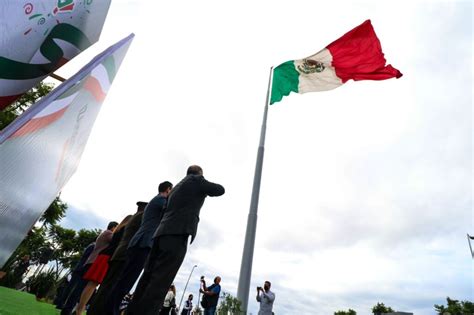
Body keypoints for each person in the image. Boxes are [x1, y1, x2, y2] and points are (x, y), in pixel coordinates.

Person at [126, 165, 225, 315]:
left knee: (147, 278)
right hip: (177, 234)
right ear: (199, 173)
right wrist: (202, 183)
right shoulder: (196, 180)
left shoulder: (176, 188)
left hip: (160, 234)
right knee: (161, 281)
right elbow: (220, 189)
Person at [105, 181, 173, 315]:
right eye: (172, 191)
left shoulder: (156, 201)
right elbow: (171, 210)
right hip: (142, 244)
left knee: (125, 280)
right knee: (126, 281)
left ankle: (111, 309)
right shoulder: (160, 200)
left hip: (140, 244)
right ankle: (111, 311)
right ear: (168, 189)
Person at [87, 201, 149, 315]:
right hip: (124, 256)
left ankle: (93, 311)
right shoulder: (140, 219)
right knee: (112, 288)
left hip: (117, 255)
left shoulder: (127, 222)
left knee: (105, 287)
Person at [74, 218, 127, 315]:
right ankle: (79, 310)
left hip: (104, 257)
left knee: (92, 285)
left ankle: (80, 308)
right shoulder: (113, 233)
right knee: (92, 284)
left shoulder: (115, 232)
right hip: (105, 258)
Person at [57, 242, 95, 315]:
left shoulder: (91, 245)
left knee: (71, 288)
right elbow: (87, 259)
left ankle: (61, 305)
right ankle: (64, 307)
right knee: (74, 290)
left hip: (79, 269)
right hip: (82, 270)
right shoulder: (93, 247)